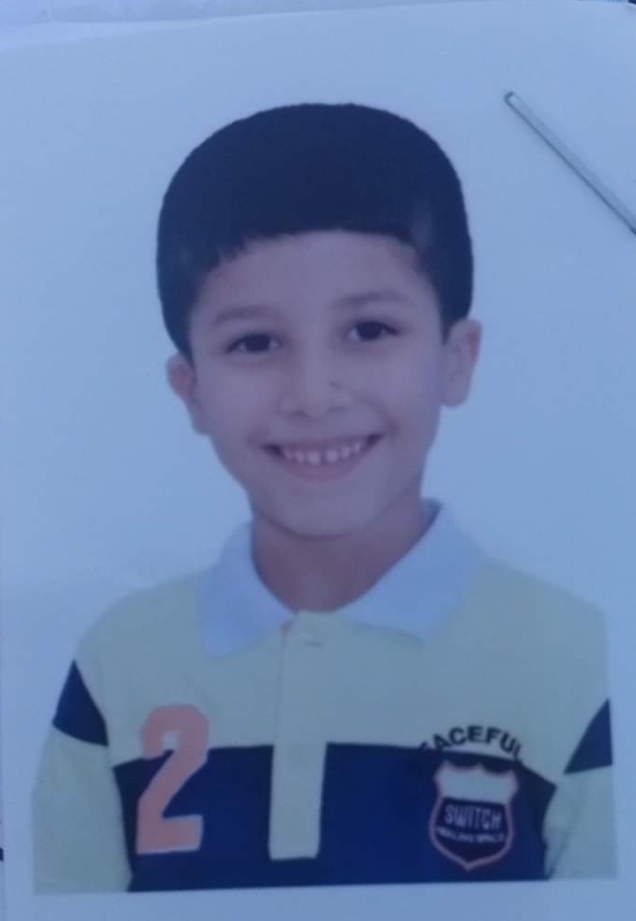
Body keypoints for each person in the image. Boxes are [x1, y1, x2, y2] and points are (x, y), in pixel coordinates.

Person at [32, 102, 615, 893]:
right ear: (191, 387)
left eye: (369, 330)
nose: (313, 395)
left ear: (456, 357)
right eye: (255, 342)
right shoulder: (119, 660)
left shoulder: (574, 658)